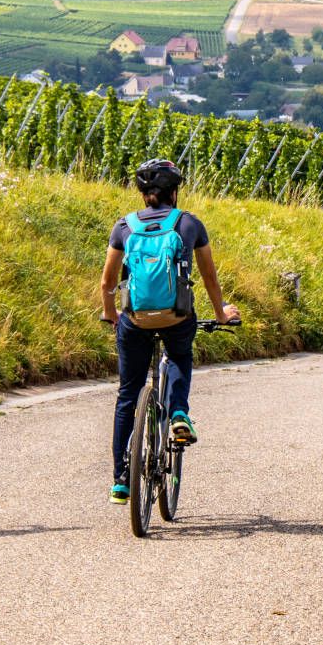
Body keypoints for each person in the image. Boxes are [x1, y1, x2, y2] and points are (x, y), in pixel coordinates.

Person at [100, 158, 239, 505]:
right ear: (173, 192)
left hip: (135, 320)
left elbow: (108, 281)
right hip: (177, 317)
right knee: (179, 354)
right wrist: (221, 313)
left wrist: (111, 312)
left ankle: (121, 480)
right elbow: (208, 276)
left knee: (127, 395)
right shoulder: (188, 224)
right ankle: (178, 412)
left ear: (144, 193)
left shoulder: (124, 226)